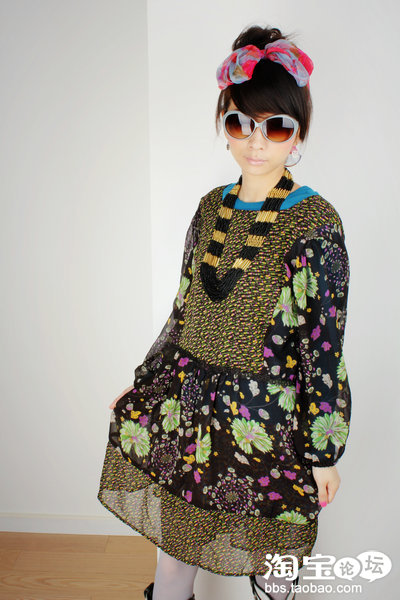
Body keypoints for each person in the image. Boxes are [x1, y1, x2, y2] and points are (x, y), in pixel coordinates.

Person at [97, 23, 352, 600]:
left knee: (272, 569)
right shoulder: (211, 206)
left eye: (275, 126)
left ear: (299, 132)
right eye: (240, 123)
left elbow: (324, 344)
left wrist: (323, 452)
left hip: (269, 425)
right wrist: (146, 383)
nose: (255, 142)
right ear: (224, 124)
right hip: (190, 409)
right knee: (174, 557)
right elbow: (184, 310)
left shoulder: (316, 224)